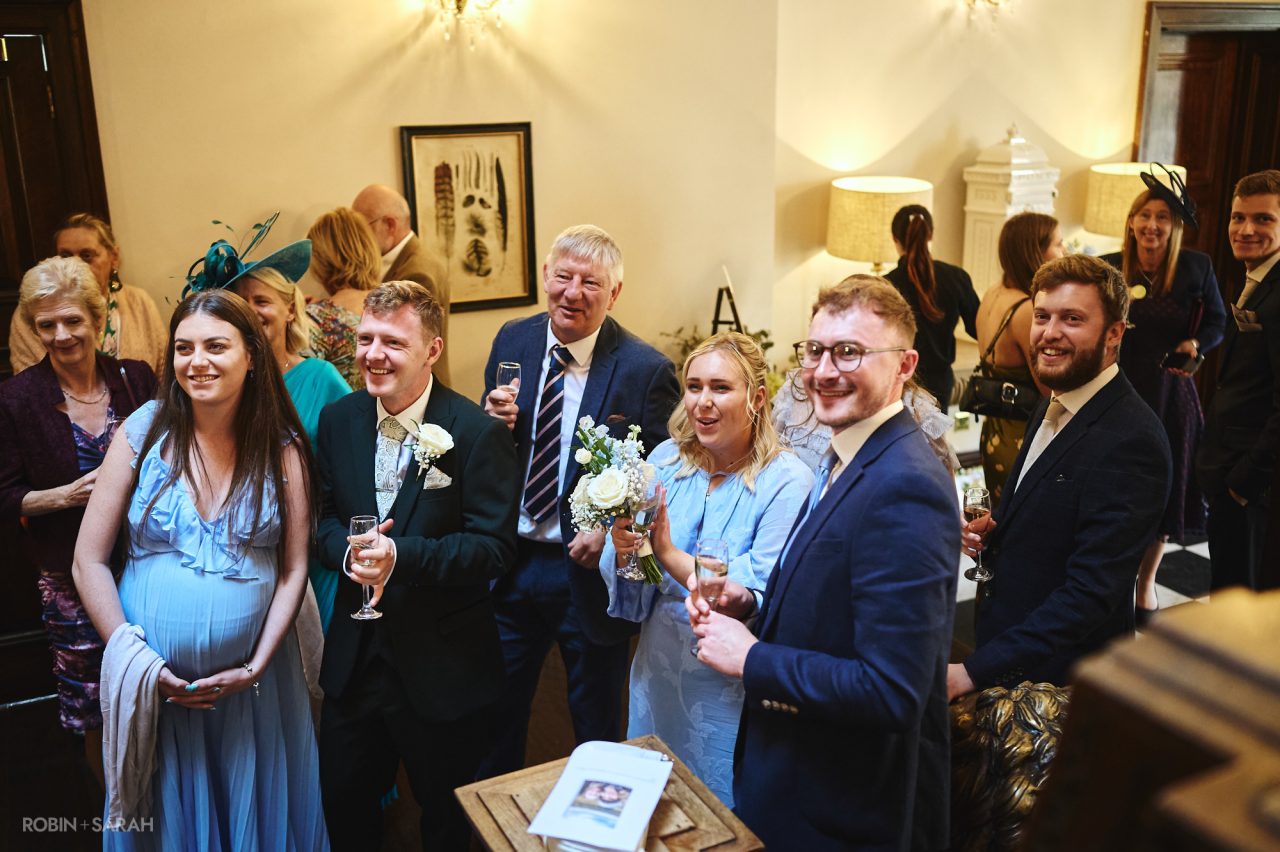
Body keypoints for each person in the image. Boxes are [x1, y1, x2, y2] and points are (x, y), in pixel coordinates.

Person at [687, 276, 959, 850]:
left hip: (845, 806)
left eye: (850, 352)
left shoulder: (906, 483)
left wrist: (754, 658)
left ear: (905, 365)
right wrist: (754, 604)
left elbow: (893, 690)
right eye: (815, 351)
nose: (824, 371)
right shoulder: (845, 458)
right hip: (799, 778)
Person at [72, 289, 326, 849]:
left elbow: (294, 568)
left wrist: (256, 665)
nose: (197, 361)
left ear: (252, 355)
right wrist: (136, 659)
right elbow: (87, 560)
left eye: (216, 345)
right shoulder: (141, 432)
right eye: (184, 348)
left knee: (252, 817)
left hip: (254, 695)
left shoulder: (280, 446)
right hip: (156, 691)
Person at [315, 281, 518, 851]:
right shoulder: (339, 420)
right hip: (355, 664)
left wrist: (403, 557)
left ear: (431, 351)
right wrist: (346, 552)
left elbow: (494, 548)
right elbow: (322, 521)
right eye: (365, 338)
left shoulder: (476, 434)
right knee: (345, 806)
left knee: (447, 820)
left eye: (393, 343)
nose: (372, 355)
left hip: (441, 665)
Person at [479, 224, 680, 777]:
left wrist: (611, 526)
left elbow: (663, 476)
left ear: (613, 294)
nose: (572, 292)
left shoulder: (646, 371)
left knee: (596, 722)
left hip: (589, 573)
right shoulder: (512, 341)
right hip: (512, 562)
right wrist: (492, 422)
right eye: (562, 277)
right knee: (497, 714)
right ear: (546, 277)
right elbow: (487, 443)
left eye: (590, 282)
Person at [602, 332, 812, 806]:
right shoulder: (665, 461)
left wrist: (666, 551)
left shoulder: (788, 482)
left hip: (728, 688)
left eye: (720, 388)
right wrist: (627, 551)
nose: (702, 402)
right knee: (651, 809)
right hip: (656, 675)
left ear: (757, 398)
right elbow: (641, 593)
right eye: (694, 387)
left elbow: (757, 594)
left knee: (719, 814)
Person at [951, 254, 1172, 699]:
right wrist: (994, 534)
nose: (1050, 333)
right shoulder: (1057, 398)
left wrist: (972, 672)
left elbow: (1090, 595)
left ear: (1114, 334)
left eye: (1072, 319)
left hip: (1061, 689)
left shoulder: (1133, 440)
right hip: (1013, 657)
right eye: (1042, 316)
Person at [0, 256, 156, 786]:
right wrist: (64, 496)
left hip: (148, 569)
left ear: (98, 316)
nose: (62, 335)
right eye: (46, 325)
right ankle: (120, 822)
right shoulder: (17, 398)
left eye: (73, 320)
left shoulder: (138, 381)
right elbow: (6, 497)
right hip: (69, 583)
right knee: (99, 710)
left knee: (157, 690)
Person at [1100, 167, 1225, 622]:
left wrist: (1196, 345)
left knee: (1164, 490)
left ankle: (1146, 583)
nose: (1152, 225)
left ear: (1173, 227)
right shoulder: (1108, 265)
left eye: (1163, 217)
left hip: (1171, 396)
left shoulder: (1196, 267)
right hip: (1117, 392)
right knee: (1117, 488)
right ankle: (1111, 580)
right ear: (1131, 222)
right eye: (1144, 215)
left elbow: (1217, 323)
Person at [232, 252, 350, 632]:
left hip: (317, 544)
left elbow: (362, 451)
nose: (251, 312)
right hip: (249, 551)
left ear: (290, 311)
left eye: (261, 301)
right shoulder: (227, 388)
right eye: (241, 303)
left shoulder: (321, 377)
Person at [1197, 169, 1280, 591]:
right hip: (1230, 473)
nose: (1246, 229)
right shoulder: (1256, 280)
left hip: (1253, 487)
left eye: (1263, 219)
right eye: (1238, 217)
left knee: (1241, 605)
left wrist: (1245, 483)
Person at [974, 213, 1063, 502]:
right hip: (1021, 438)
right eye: (1059, 245)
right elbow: (1047, 389)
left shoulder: (993, 293)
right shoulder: (1025, 310)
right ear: (1036, 251)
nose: (1065, 252)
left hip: (995, 433)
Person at [8, 213, 167, 374]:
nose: (76, 263)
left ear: (114, 257)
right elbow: (26, 386)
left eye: (87, 255)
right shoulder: (32, 311)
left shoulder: (140, 302)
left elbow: (164, 370)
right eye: (65, 256)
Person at [352, 184, 451, 384]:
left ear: (389, 225)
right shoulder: (403, 260)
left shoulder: (418, 272)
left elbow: (396, 338)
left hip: (415, 395)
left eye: (361, 228)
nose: (357, 238)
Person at [885, 204, 980, 407]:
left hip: (898, 379)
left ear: (894, 238)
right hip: (940, 383)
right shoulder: (956, 277)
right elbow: (978, 329)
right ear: (931, 235)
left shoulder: (886, 285)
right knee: (934, 438)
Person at [306, 206, 384, 391]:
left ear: (320, 260)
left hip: (341, 418)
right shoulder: (401, 306)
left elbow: (305, 392)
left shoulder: (317, 319)